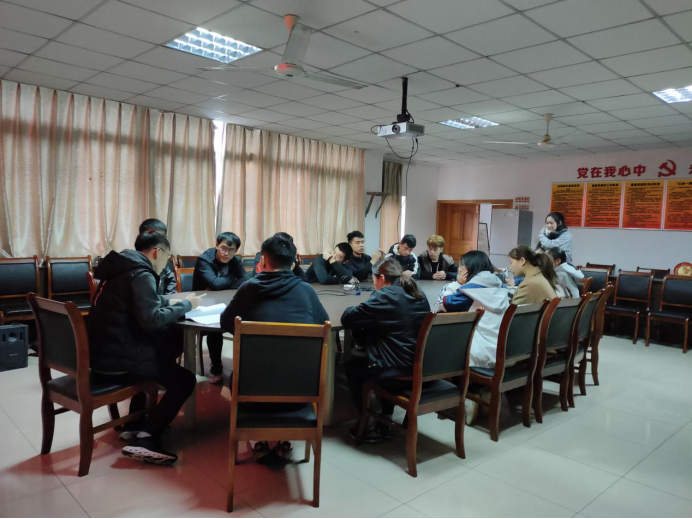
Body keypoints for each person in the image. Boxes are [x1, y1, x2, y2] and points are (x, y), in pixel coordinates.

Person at [88, 232, 203, 466]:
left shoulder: (121, 268)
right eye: (167, 257)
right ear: (157, 252)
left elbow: (140, 302)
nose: (167, 263)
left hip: (100, 356)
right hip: (119, 362)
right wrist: (185, 305)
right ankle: (148, 438)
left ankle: (135, 423)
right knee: (184, 379)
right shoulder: (141, 273)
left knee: (165, 353)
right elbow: (151, 320)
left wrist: (167, 302)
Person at [220, 235, 330, 462]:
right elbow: (322, 326)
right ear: (293, 262)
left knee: (233, 375)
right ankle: (286, 438)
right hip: (300, 393)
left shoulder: (248, 289)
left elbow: (226, 323)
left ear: (262, 260)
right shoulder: (306, 291)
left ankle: (255, 440)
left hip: (251, 393)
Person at [342, 259, 431, 443]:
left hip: (396, 371)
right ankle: (386, 421)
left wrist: (353, 307)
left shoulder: (384, 295)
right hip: (421, 367)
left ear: (381, 278)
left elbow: (348, 318)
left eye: (374, 279)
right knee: (389, 350)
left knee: (352, 367)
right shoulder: (417, 291)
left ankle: (368, 425)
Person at [439, 251, 511, 425]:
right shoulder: (499, 285)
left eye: (461, 265)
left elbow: (446, 303)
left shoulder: (472, 289)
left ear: (470, 268)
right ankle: (480, 391)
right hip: (502, 347)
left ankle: (466, 395)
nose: (459, 268)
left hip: (481, 349)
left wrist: (457, 283)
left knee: (442, 342)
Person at [193, 232, 249, 385]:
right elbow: (215, 284)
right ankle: (216, 368)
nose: (226, 253)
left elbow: (246, 279)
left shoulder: (235, 260)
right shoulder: (205, 260)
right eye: (223, 248)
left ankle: (245, 366)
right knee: (215, 327)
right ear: (217, 245)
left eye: (231, 250)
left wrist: (219, 283)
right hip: (202, 305)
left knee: (246, 320)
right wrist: (232, 278)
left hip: (225, 301)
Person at [139, 219, 177, 295]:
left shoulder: (161, 261)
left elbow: (170, 280)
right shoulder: (133, 265)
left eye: (162, 237)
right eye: (154, 237)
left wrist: (171, 298)